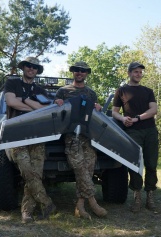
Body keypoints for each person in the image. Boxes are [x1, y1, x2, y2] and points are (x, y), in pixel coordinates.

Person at [4, 56, 56, 223]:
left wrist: (24, 100)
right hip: (16, 134)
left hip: (38, 135)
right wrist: (33, 106)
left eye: (34, 67)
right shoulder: (12, 83)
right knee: (27, 170)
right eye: (28, 66)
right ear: (24, 68)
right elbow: (11, 102)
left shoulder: (40, 90)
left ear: (37, 70)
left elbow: (44, 109)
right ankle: (47, 203)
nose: (31, 69)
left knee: (35, 173)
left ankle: (27, 213)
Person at [54, 61, 107, 219]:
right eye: (77, 70)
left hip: (87, 136)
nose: (80, 73)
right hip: (71, 136)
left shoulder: (91, 93)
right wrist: (57, 104)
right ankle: (92, 202)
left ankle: (79, 206)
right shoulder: (63, 91)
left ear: (86, 74)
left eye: (83, 71)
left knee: (89, 166)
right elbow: (56, 112)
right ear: (73, 72)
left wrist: (98, 108)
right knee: (79, 167)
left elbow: (94, 113)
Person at [112, 62, 159, 213]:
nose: (138, 74)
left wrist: (137, 118)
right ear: (129, 73)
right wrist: (122, 119)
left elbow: (153, 110)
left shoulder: (148, 91)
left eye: (140, 72)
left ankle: (150, 196)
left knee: (151, 164)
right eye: (135, 72)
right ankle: (137, 197)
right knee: (136, 164)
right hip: (132, 131)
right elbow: (114, 112)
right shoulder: (121, 91)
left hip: (150, 130)